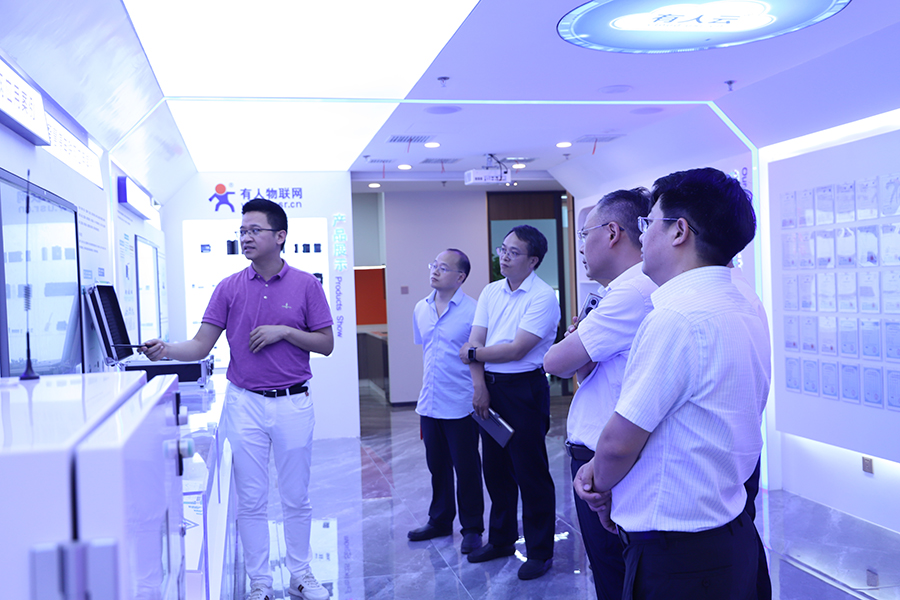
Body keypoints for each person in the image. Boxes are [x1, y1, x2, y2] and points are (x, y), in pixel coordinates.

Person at [575, 167, 771, 599]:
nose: (642, 236)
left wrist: (594, 481)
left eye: (649, 223)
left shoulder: (675, 318)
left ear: (679, 231)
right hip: (729, 534)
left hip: (679, 557)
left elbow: (619, 443)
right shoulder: (744, 303)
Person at [142, 199, 333, 600]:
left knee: (296, 496)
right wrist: (166, 350)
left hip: (293, 402)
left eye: (254, 230)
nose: (245, 237)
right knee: (251, 498)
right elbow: (200, 345)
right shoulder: (228, 287)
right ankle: (260, 582)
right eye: (242, 231)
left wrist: (284, 331)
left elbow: (326, 343)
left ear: (280, 237)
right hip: (244, 403)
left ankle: (301, 574)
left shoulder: (306, 285)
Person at [543, 188, 656, 600]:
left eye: (583, 234)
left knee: (614, 575)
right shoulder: (621, 292)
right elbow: (582, 370)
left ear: (611, 233)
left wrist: (573, 347)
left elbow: (554, 362)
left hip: (606, 458)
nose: (580, 248)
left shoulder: (631, 291)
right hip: (604, 451)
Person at [459, 225, 561, 580]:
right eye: (503, 249)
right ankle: (501, 539)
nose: (504, 257)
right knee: (496, 469)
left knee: (530, 472)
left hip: (524, 390)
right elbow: (476, 340)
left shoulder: (543, 297)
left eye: (513, 252)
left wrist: (474, 354)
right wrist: (479, 386)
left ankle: (540, 552)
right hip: (490, 387)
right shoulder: (491, 291)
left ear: (533, 260)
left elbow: (517, 349)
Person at [407, 249, 485, 554]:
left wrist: (479, 391)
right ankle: (439, 520)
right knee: (437, 466)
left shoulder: (474, 311)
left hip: (461, 402)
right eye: (434, 265)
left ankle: (472, 528)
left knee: (467, 468)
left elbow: (478, 356)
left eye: (443, 267)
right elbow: (427, 350)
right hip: (430, 401)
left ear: (460, 277)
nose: (435, 271)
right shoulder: (420, 308)